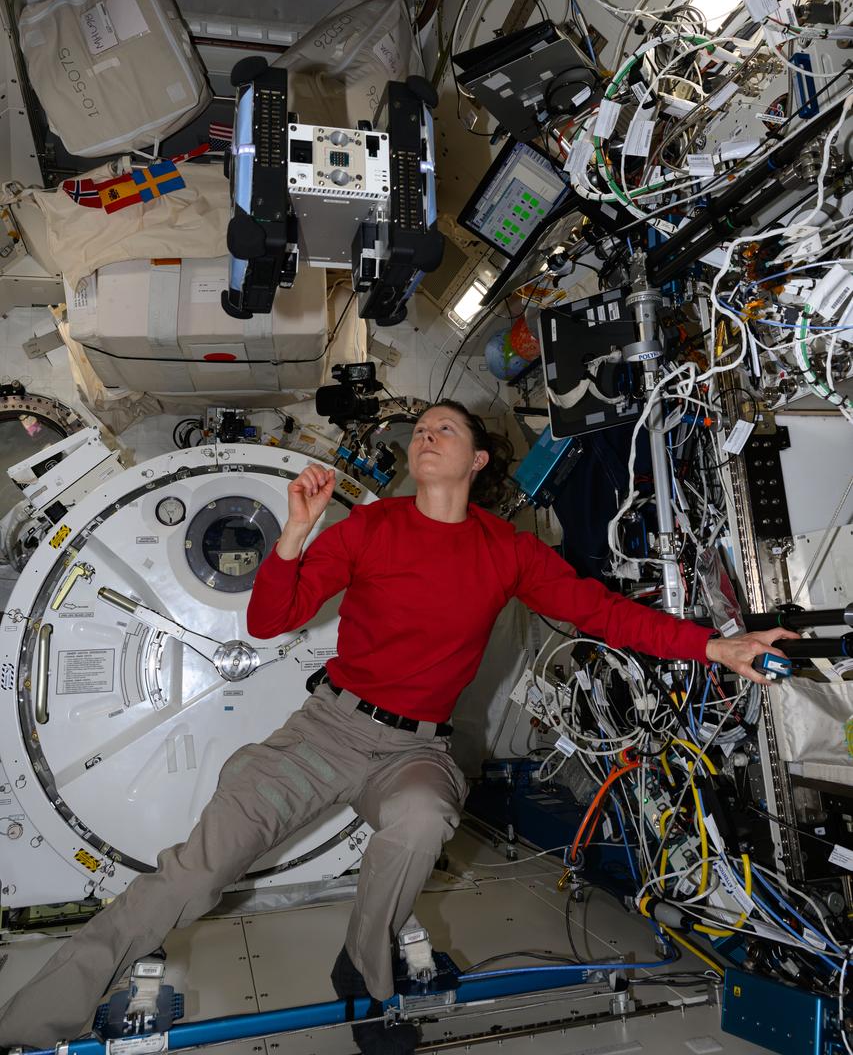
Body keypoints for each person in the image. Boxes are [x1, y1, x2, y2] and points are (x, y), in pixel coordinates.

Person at [0, 400, 797, 1053]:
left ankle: (366, 970)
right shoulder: (372, 528)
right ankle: (32, 1022)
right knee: (192, 876)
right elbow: (272, 618)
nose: (426, 436)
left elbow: (601, 612)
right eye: (419, 429)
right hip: (322, 733)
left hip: (413, 749)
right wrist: (295, 531)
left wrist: (713, 645)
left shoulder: (507, 551)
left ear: (479, 461)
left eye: (445, 429)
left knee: (422, 819)